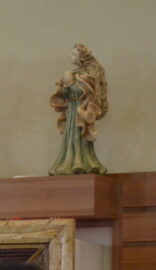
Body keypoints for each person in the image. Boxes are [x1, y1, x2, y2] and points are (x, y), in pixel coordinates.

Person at [49, 43, 108, 175]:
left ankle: (82, 162)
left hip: (80, 111)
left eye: (74, 54)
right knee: (70, 138)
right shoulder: (70, 74)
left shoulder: (87, 76)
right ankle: (68, 162)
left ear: (81, 58)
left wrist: (71, 84)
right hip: (71, 111)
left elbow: (88, 93)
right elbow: (63, 94)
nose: (71, 57)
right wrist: (64, 87)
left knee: (80, 137)